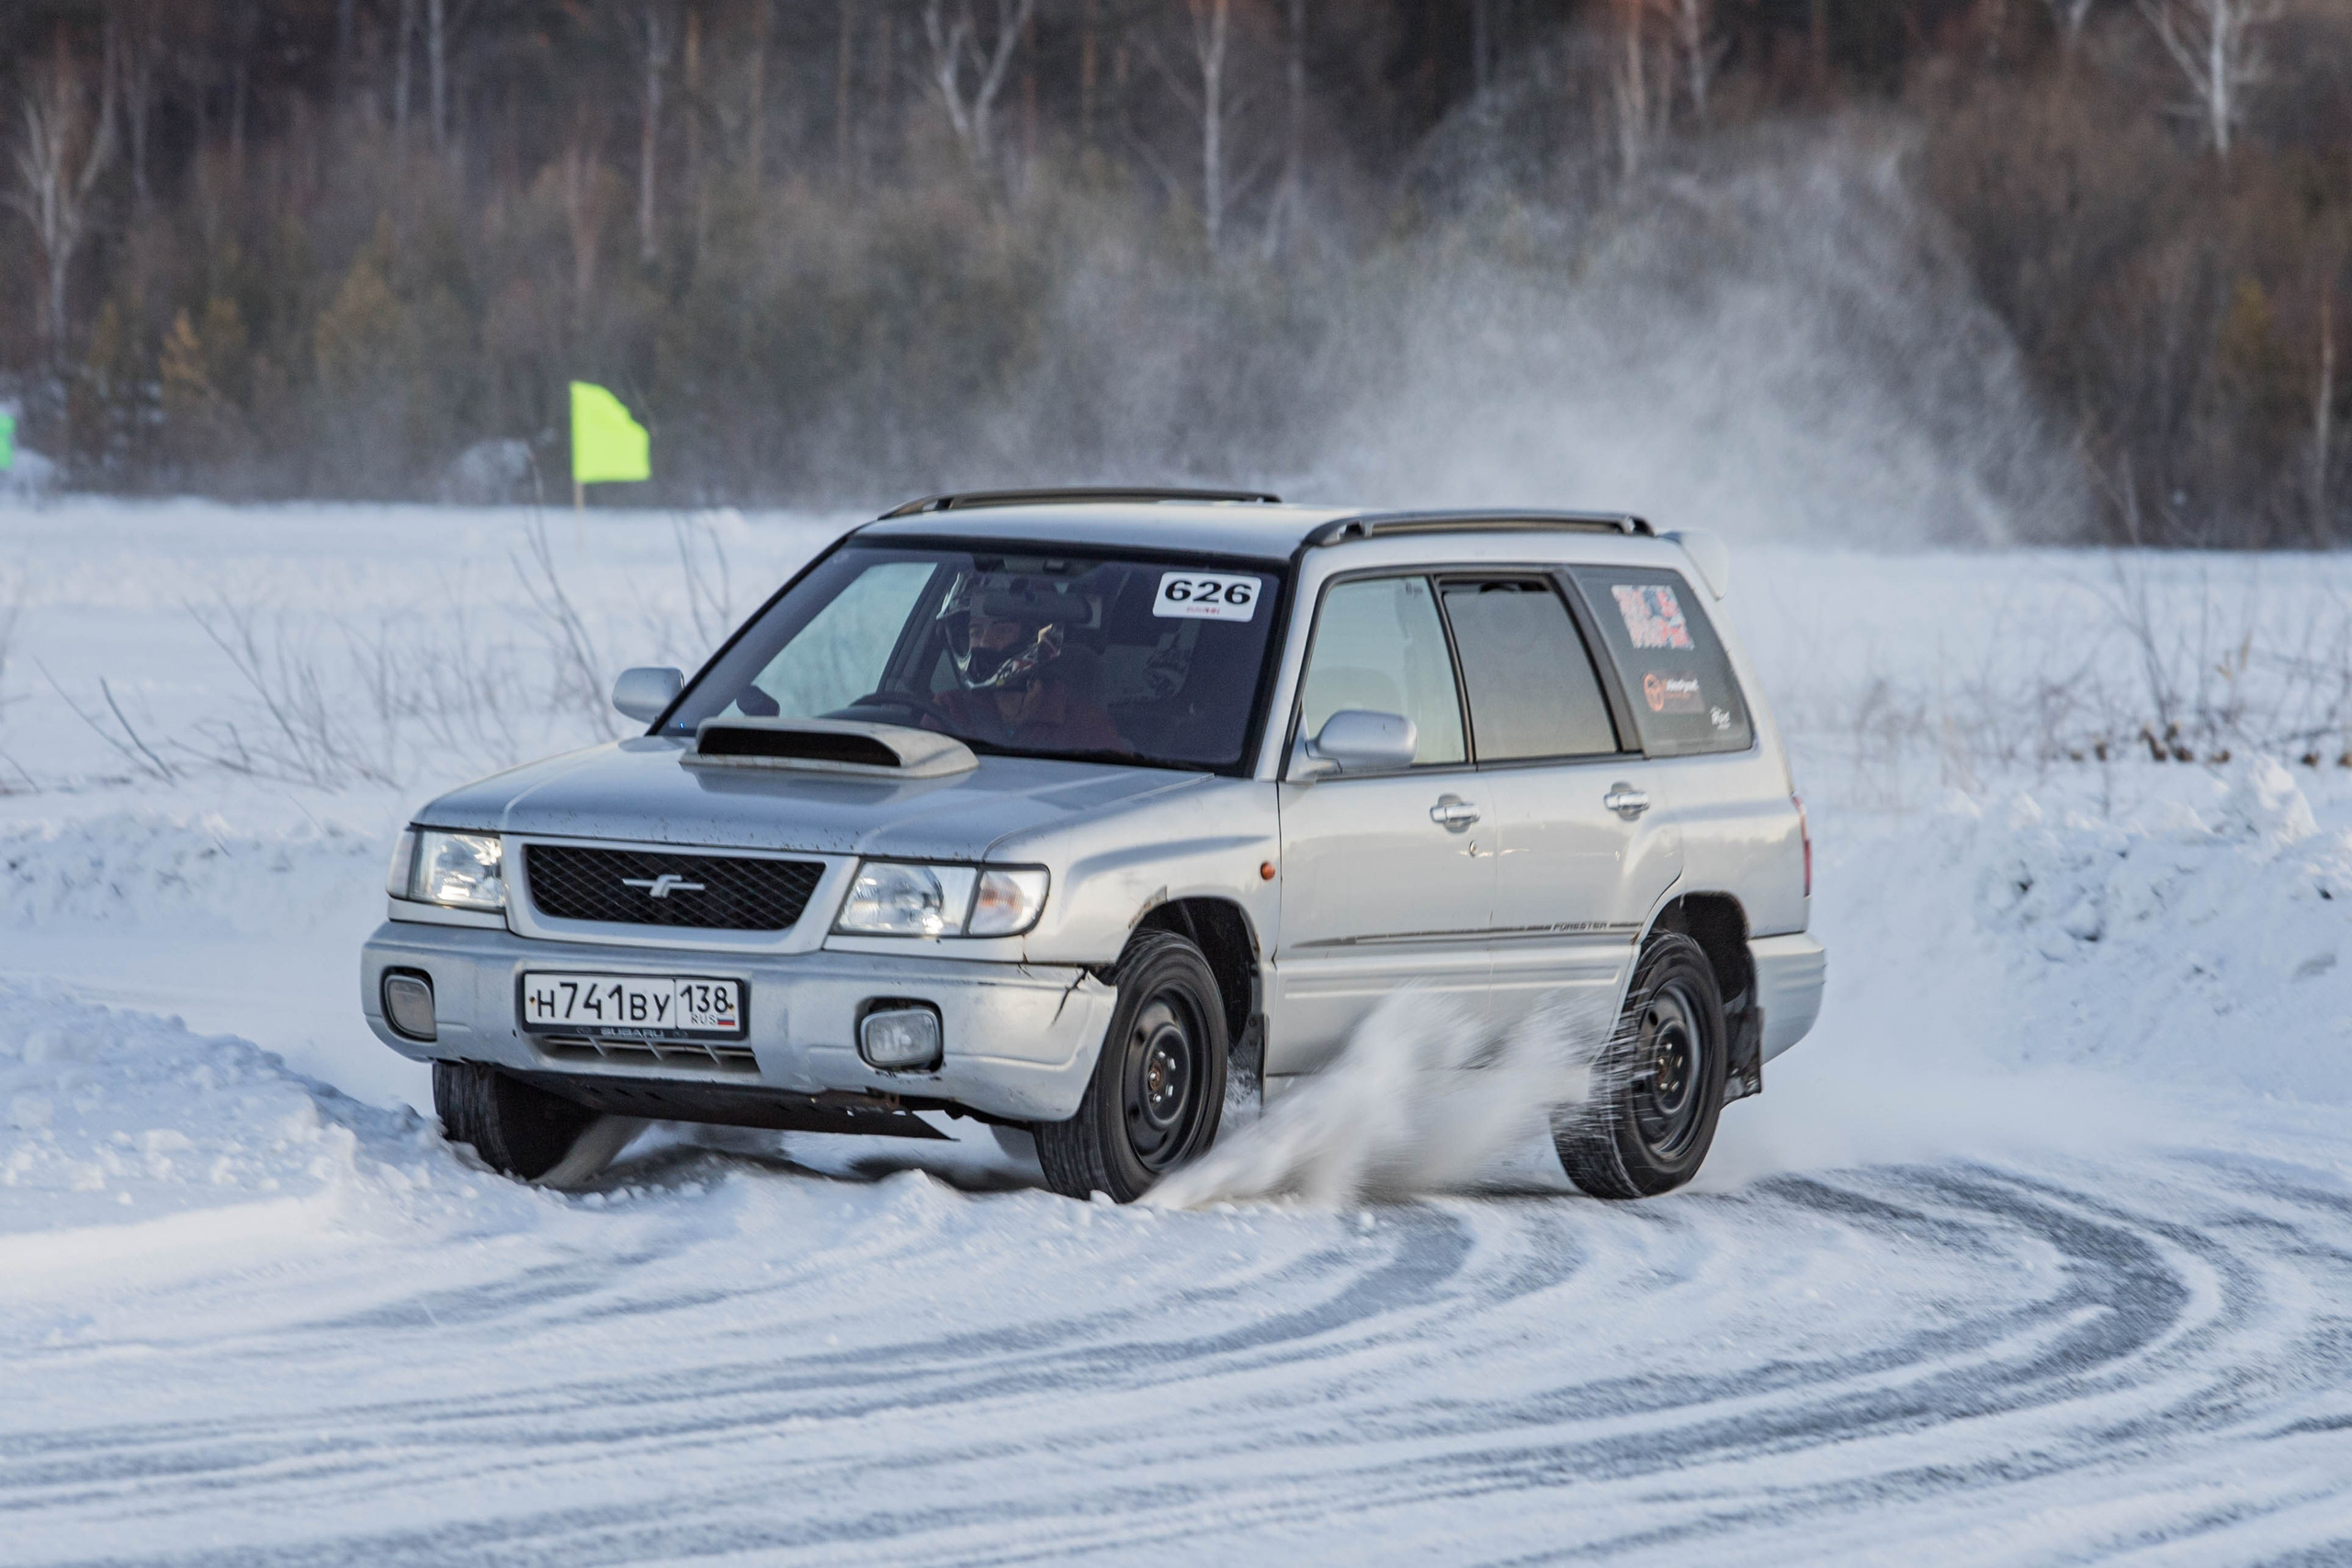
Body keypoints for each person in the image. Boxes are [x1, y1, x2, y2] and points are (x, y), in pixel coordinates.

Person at [930, 581, 1126, 754]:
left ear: (1033, 638)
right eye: (975, 632)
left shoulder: (1086, 726)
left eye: (1002, 631)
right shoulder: (949, 710)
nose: (985, 643)